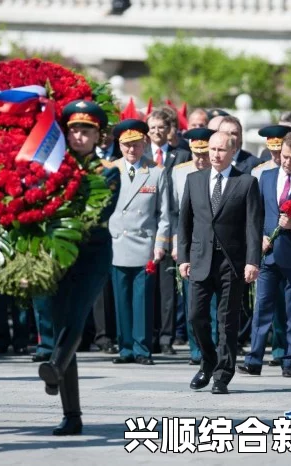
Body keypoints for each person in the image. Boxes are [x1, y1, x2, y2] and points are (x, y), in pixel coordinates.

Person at [36, 100, 120, 436]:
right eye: (73, 129)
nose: (79, 135)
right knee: (61, 328)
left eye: (86, 129)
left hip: (91, 256)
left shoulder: (108, 172)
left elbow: (98, 213)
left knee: (75, 319)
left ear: (99, 135)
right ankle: (71, 415)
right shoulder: (52, 169)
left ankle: (55, 366)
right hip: (57, 256)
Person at [178, 131, 263, 394]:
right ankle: (208, 361)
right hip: (201, 259)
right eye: (212, 149)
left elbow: (253, 225)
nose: (215, 154)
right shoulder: (194, 180)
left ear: (233, 151)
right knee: (195, 316)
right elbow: (185, 222)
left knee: (227, 321)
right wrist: (183, 257)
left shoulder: (246, 182)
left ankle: (222, 375)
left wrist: (252, 261)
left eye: (221, 150)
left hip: (232, 261)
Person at [239, 132, 291, 377]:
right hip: (268, 254)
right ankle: (254, 358)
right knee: (262, 306)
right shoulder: (266, 177)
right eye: (283, 156)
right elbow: (257, 214)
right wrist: (260, 238)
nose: (286, 162)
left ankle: (290, 359)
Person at [108, 119, 170, 365]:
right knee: (121, 299)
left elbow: (164, 213)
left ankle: (142, 348)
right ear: (119, 145)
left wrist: (160, 244)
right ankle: (124, 348)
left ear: (144, 143)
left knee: (142, 300)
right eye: (126, 145)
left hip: (144, 243)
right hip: (117, 243)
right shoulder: (110, 170)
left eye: (135, 145)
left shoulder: (156, 171)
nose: (131, 150)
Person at [171, 127, 218, 365]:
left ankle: (214, 348)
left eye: (204, 154)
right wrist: (177, 246)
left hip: (215, 247)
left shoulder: (220, 175)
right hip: (190, 245)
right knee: (193, 303)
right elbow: (175, 214)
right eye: (196, 154)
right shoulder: (180, 173)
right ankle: (196, 350)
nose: (200, 159)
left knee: (213, 306)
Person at [144, 109, 190, 354]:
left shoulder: (181, 156)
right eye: (152, 127)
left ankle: (165, 337)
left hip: (172, 229)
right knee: (147, 287)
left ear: (169, 129)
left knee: (168, 289)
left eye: (161, 127)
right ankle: (148, 336)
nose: (156, 132)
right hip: (146, 232)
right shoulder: (142, 157)